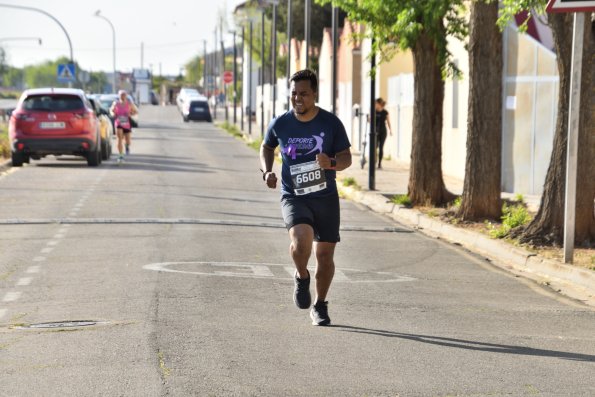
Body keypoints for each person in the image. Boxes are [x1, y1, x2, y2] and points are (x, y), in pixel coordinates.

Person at [259, 69, 352, 326]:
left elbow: (346, 158)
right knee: (301, 243)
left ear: (315, 95)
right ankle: (301, 276)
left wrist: (330, 161)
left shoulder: (331, 124)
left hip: (325, 198)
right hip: (294, 195)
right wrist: (267, 171)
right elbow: (267, 146)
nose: (297, 99)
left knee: (324, 256)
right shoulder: (280, 123)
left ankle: (320, 305)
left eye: (304, 94)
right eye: (294, 94)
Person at [110, 90, 138, 164]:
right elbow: (111, 110)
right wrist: (113, 113)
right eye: (121, 95)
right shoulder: (116, 103)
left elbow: (135, 111)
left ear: (126, 96)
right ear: (119, 96)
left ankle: (127, 146)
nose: (122, 96)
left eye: (124, 95)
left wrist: (131, 114)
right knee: (119, 138)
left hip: (127, 124)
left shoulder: (129, 104)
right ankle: (120, 155)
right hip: (118, 123)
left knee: (128, 140)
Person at [374, 98, 392, 169]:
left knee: (381, 147)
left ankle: (379, 163)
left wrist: (390, 130)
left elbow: (388, 122)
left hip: (383, 131)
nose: (375, 105)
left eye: (376, 103)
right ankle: (374, 161)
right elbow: (370, 120)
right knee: (375, 147)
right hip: (375, 131)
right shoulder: (374, 111)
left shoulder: (385, 112)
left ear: (379, 104)